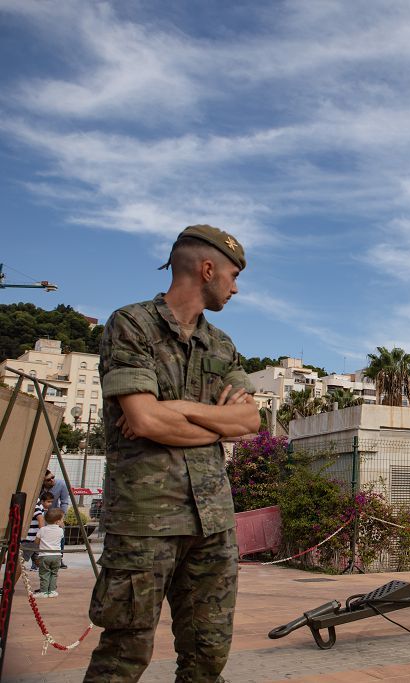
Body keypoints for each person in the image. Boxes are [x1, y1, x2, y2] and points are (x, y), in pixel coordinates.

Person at [84, 225, 260, 683]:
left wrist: (178, 409)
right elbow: (143, 421)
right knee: (123, 656)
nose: (235, 288)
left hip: (213, 522)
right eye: (233, 275)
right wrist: (212, 425)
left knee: (208, 656)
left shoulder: (221, 345)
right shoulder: (131, 325)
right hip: (144, 522)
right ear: (207, 269)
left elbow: (250, 422)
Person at [42, 470, 70, 568]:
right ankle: (36, 559)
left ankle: (60, 559)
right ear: (43, 481)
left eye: (53, 477)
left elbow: (64, 502)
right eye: (48, 479)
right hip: (40, 514)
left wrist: (61, 518)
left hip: (54, 515)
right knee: (40, 535)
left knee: (61, 532)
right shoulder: (38, 486)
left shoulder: (61, 484)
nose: (52, 480)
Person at [34, 507, 65, 598]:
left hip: (45, 555)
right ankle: (52, 591)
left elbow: (36, 541)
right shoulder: (60, 530)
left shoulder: (42, 529)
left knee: (44, 573)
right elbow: (60, 539)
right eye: (62, 519)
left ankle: (43, 591)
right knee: (54, 573)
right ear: (57, 521)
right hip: (57, 555)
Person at [21, 491, 54, 570]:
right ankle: (48, 574)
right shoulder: (38, 505)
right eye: (48, 501)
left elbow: (40, 519)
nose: (50, 504)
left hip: (30, 540)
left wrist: (42, 536)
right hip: (33, 539)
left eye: (51, 502)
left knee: (20, 563)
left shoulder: (35, 504)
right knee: (37, 560)